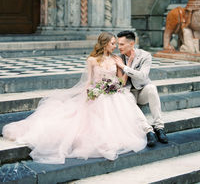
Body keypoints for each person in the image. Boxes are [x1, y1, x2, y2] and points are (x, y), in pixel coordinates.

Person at [3, 32, 155, 164]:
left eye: (116, 43)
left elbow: (121, 82)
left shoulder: (117, 59)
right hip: (97, 93)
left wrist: (126, 65)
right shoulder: (92, 60)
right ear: (105, 44)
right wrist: (90, 93)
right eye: (113, 43)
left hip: (114, 93)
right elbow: (88, 82)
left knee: (121, 108)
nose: (115, 46)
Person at [115, 30, 168, 145]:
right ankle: (149, 131)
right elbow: (121, 82)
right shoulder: (118, 58)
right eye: (118, 44)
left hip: (142, 90)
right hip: (129, 92)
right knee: (124, 95)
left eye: (122, 44)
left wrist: (125, 67)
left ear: (132, 44)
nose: (119, 47)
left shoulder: (145, 56)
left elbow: (143, 76)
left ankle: (159, 127)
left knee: (152, 88)